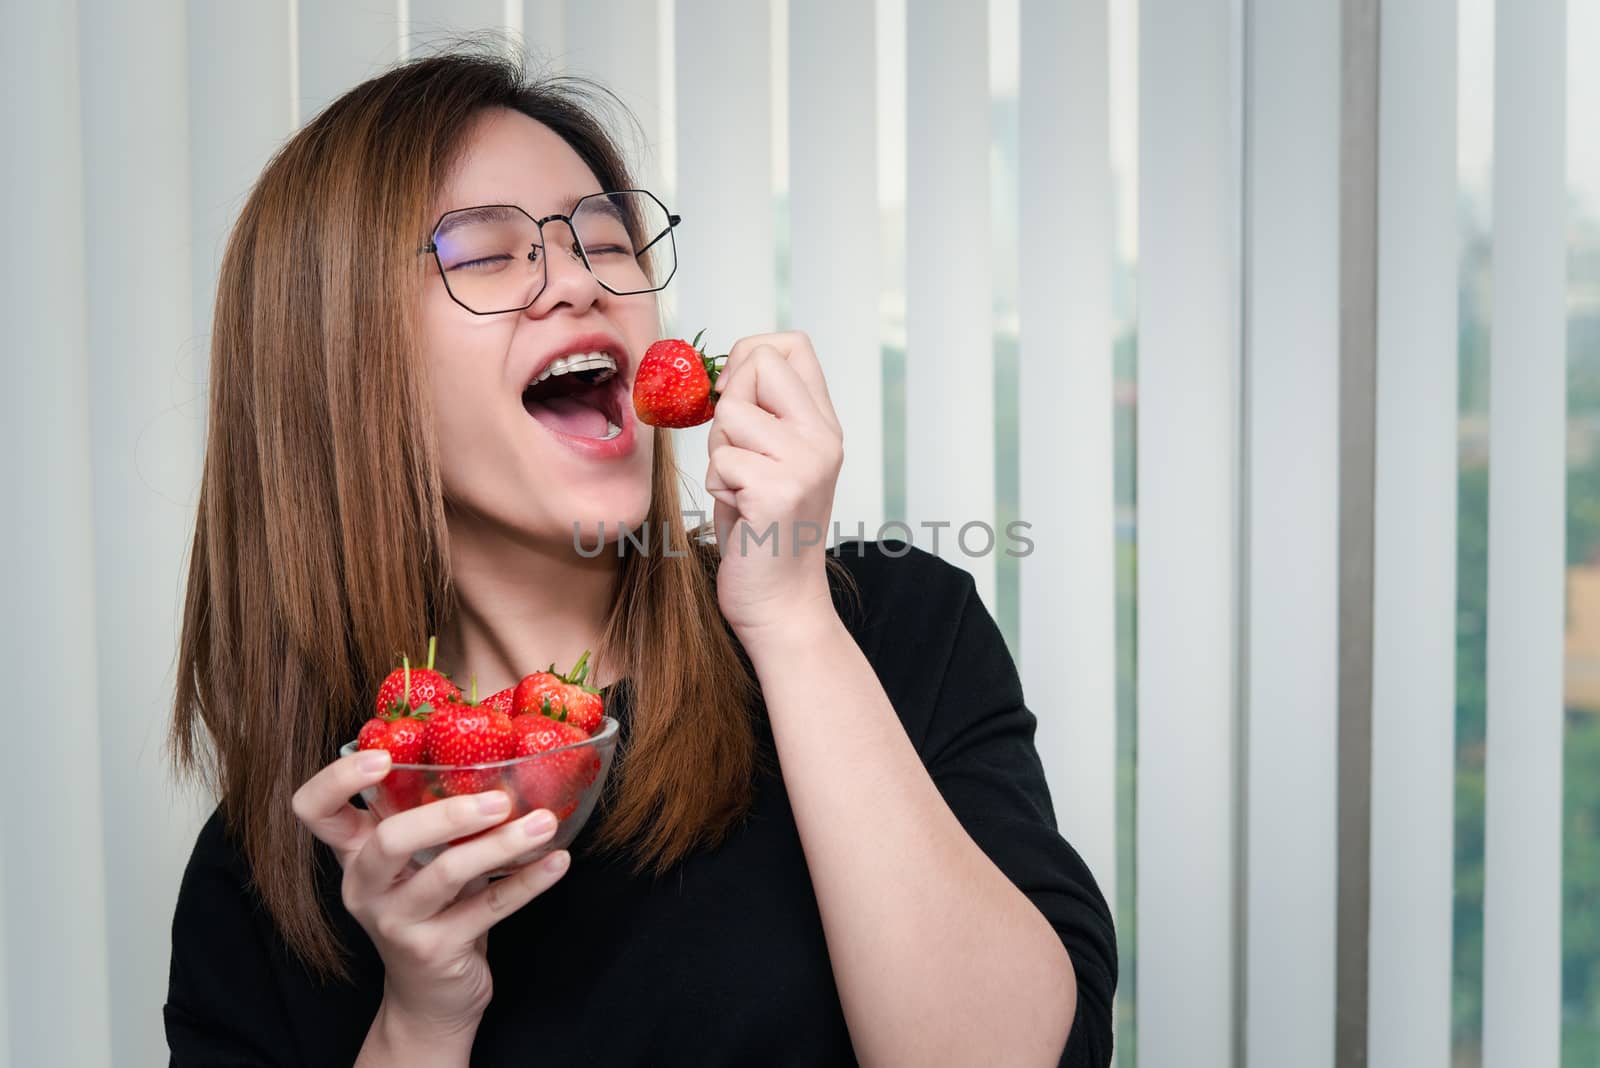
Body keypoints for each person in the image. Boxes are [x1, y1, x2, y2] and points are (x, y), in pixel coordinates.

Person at [163, 45, 1116, 1068]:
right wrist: (422, 1016)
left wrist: (789, 620)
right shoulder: (275, 865)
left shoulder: (885, 627)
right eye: (487, 254)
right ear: (334, 368)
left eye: (604, 241)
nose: (578, 281)